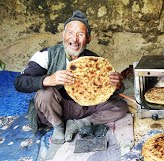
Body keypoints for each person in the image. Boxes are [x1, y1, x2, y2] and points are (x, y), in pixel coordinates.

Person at [14, 10, 128, 144]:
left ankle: (79, 124)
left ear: (88, 39)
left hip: (83, 109)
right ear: (63, 35)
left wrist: (118, 84)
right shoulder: (46, 55)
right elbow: (20, 83)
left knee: (121, 106)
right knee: (44, 94)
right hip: (55, 108)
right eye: (70, 33)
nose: (74, 39)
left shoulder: (95, 62)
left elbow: (110, 91)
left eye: (80, 34)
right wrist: (49, 80)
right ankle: (58, 126)